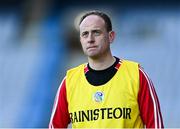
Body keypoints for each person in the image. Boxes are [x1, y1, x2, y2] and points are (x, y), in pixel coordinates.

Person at [49, 10, 164, 128]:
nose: (90, 39)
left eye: (96, 32)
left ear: (111, 36)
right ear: (81, 40)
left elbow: (155, 124)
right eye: (85, 34)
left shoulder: (136, 75)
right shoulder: (69, 82)